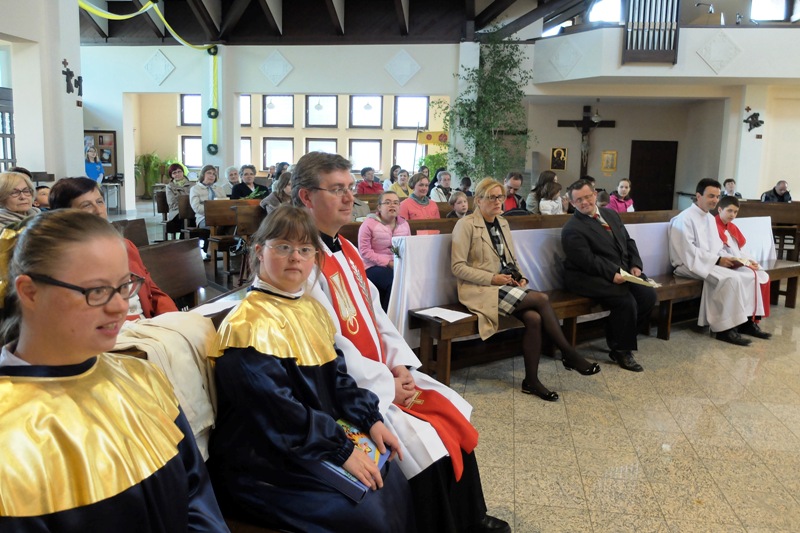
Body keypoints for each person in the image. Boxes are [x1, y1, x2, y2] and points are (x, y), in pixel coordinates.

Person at [292, 152, 509, 533]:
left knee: (451, 411)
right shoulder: (303, 260)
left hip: (384, 372)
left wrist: (400, 365)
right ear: (306, 197)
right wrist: (385, 383)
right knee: (423, 442)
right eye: (337, 189)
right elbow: (330, 344)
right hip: (354, 388)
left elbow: (377, 316)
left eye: (350, 188)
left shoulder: (347, 250)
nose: (349, 197)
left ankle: (470, 516)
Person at [0, 209, 226, 531]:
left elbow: (196, 495)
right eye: (96, 290)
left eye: (124, 286)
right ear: (29, 292)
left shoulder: (143, 377)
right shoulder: (9, 428)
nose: (120, 306)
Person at [207, 205, 413, 532]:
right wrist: (341, 450)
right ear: (259, 251)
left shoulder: (310, 309)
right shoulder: (247, 326)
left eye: (305, 249)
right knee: (365, 511)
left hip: (307, 440)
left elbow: (338, 378)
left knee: (393, 476)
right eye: (283, 247)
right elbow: (276, 411)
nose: (295, 258)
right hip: (263, 461)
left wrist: (369, 419)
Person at [452, 177, 601, 401]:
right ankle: (568, 353)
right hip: (480, 289)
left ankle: (531, 381)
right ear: (479, 200)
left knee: (534, 318)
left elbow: (511, 259)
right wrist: (493, 278)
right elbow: (458, 267)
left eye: (500, 197)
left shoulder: (502, 222)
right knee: (541, 299)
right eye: (492, 197)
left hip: (505, 285)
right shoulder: (466, 225)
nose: (498, 201)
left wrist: (520, 277)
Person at [49, 177, 179, 320]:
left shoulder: (124, 246)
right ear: (65, 215)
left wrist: (174, 319)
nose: (98, 210)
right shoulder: (63, 260)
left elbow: (153, 292)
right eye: (86, 205)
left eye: (99, 202)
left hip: (147, 324)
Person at [562, 179, 657, 372]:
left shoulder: (610, 214)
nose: (585, 202)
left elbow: (628, 241)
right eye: (579, 200)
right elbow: (588, 261)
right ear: (572, 203)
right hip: (586, 277)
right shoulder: (572, 229)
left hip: (619, 271)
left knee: (648, 295)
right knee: (626, 300)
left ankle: (618, 335)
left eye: (587, 197)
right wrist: (613, 273)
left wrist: (635, 265)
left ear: (595, 194)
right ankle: (621, 349)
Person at [669, 178, 771, 346]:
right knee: (730, 278)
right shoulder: (684, 219)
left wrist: (735, 260)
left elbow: (716, 247)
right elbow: (687, 251)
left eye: (717, 196)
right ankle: (724, 329)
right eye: (711, 196)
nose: (715, 200)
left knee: (748, 274)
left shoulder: (709, 218)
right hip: (687, 265)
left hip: (708, 262)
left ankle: (746, 322)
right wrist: (717, 260)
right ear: (698, 196)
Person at [715, 195, 771, 320]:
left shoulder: (732, 227)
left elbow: (741, 250)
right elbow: (719, 252)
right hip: (726, 263)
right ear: (720, 209)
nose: (733, 215)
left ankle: (754, 318)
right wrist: (743, 262)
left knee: (762, 274)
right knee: (749, 275)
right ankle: (743, 318)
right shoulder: (713, 226)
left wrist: (751, 261)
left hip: (739, 261)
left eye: (735, 212)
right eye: (729, 211)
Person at [358, 191, 410, 311]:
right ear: (379, 207)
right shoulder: (368, 224)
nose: (392, 205)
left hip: (397, 265)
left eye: (396, 203)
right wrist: (388, 263)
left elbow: (407, 246)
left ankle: (405, 316)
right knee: (394, 282)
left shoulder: (404, 224)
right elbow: (365, 251)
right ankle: (387, 316)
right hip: (371, 266)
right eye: (387, 202)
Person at [165, 163, 192, 233]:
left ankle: (191, 239)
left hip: (191, 211)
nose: (177, 174)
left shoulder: (192, 185)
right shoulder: (169, 187)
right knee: (188, 220)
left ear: (183, 172)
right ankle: (184, 239)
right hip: (176, 212)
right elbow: (172, 203)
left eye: (179, 171)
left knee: (199, 219)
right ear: (171, 175)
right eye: (174, 173)